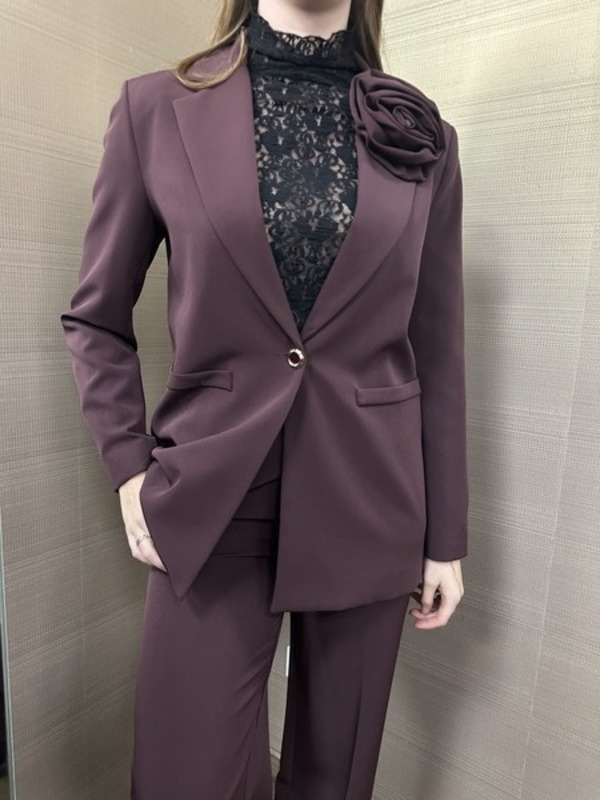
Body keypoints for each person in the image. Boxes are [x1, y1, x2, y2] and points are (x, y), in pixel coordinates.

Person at [60, 0, 468, 797]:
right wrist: (130, 470)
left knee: (337, 775)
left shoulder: (425, 137)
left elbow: (439, 349)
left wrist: (444, 537)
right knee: (186, 774)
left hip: (371, 496)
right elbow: (96, 319)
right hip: (213, 492)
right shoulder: (155, 109)